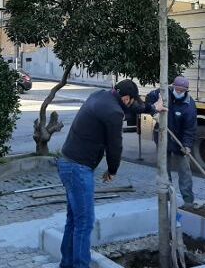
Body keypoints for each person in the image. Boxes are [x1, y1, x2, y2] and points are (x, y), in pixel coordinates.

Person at [57, 79, 155, 268]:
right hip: (78, 168)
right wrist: (112, 170)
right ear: (126, 98)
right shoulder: (113, 112)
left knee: (74, 220)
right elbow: (115, 146)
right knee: (84, 223)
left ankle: (66, 264)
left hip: (66, 162)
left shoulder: (100, 96)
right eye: (131, 100)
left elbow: (133, 108)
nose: (131, 103)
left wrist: (152, 108)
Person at [143, 75, 197, 208]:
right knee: (164, 170)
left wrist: (187, 146)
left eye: (181, 91)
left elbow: (190, 129)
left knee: (185, 171)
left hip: (180, 141)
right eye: (176, 89)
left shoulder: (189, 106)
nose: (178, 92)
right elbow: (148, 99)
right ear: (173, 86)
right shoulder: (163, 93)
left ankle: (188, 201)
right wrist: (154, 110)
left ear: (186, 91)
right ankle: (166, 198)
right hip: (163, 137)